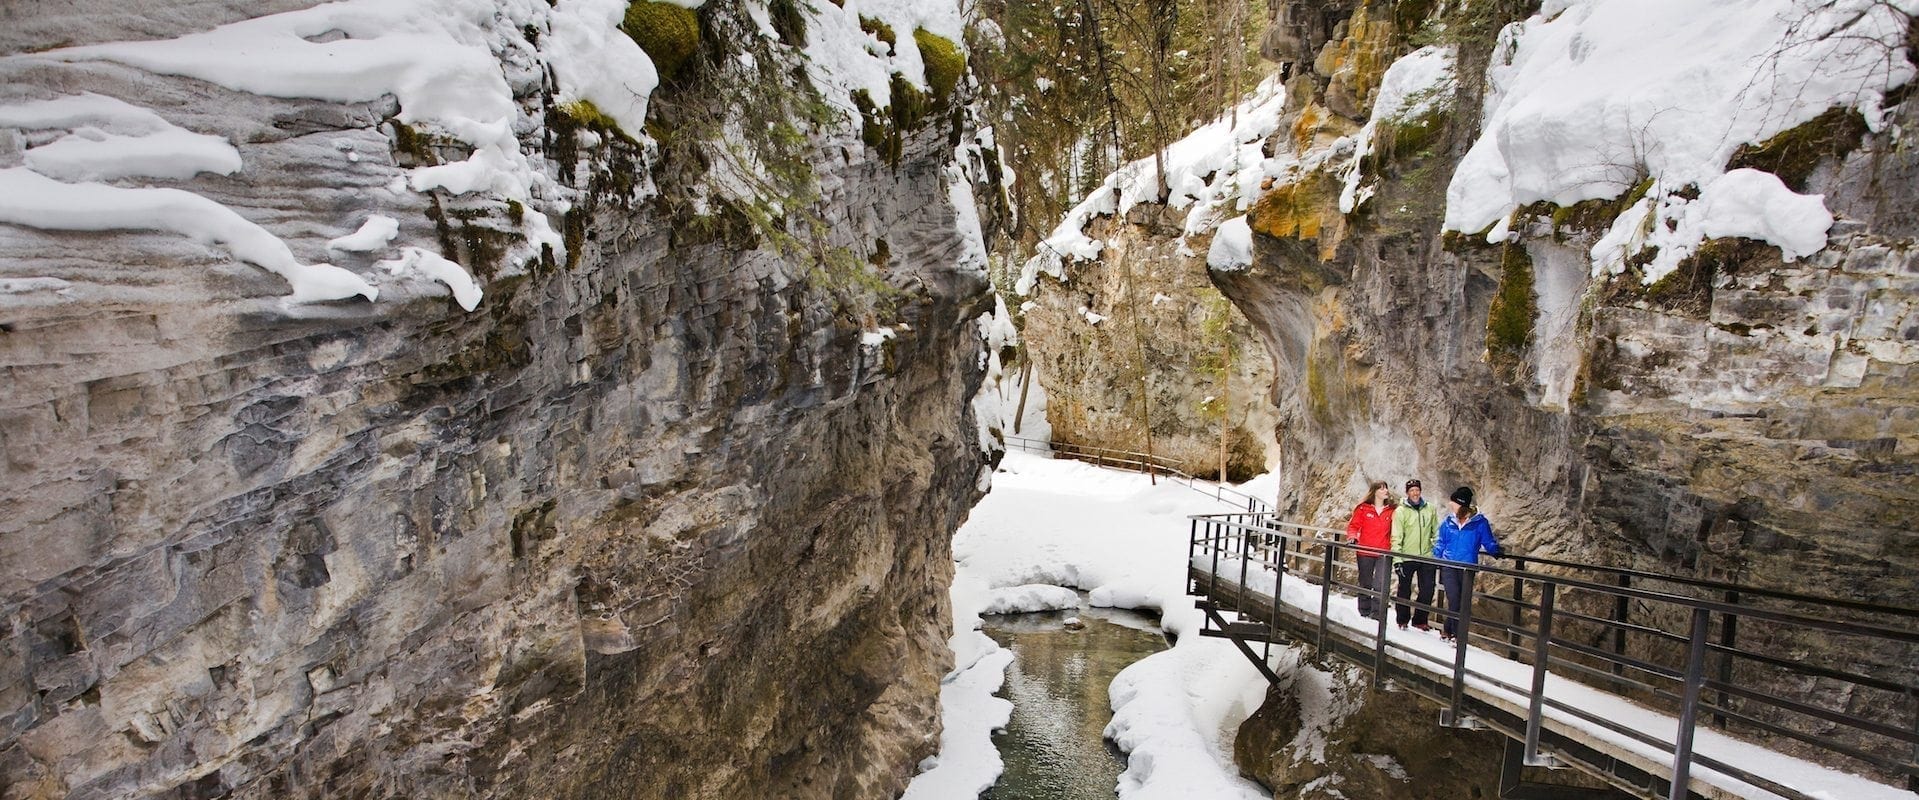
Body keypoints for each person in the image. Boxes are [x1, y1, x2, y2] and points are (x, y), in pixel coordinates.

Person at [1433, 486, 1501, 642]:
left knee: (1463, 602)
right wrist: (1436, 558)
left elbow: (1487, 541)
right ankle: (1457, 635)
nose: (1451, 504)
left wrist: (1495, 550)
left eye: (1454, 502)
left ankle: (1448, 630)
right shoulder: (1448, 521)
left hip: (1467, 567)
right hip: (1449, 565)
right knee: (1454, 599)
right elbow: (1441, 542)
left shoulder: (1479, 523)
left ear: (1462, 504)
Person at [1390, 479, 1440, 632]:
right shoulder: (1400, 511)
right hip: (1407, 556)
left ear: (1420, 491)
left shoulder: (1430, 508)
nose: (1415, 493)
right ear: (1407, 493)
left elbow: (1436, 532)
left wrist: (1436, 553)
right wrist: (1397, 560)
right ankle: (1402, 619)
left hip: (1426, 556)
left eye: (1417, 490)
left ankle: (1420, 620)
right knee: (1404, 589)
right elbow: (1396, 536)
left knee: (1428, 589)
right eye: (1412, 490)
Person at [1345, 480, 1396, 619]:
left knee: (1381, 583)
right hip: (1365, 550)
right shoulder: (1363, 508)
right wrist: (1352, 537)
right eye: (1381, 489)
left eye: (1386, 488)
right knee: (1365, 582)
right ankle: (1364, 610)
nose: (1385, 491)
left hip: (1383, 551)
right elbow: (1353, 526)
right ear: (1374, 492)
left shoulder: (1391, 510)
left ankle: (1377, 613)